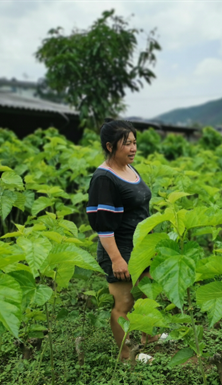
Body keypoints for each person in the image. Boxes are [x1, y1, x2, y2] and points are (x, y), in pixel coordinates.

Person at [87, 119, 157, 361]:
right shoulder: (104, 178)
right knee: (124, 302)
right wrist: (116, 259)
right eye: (126, 144)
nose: (133, 148)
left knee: (147, 294)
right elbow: (103, 226)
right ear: (109, 146)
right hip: (119, 248)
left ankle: (149, 338)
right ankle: (126, 354)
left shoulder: (129, 168)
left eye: (134, 142)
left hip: (139, 247)